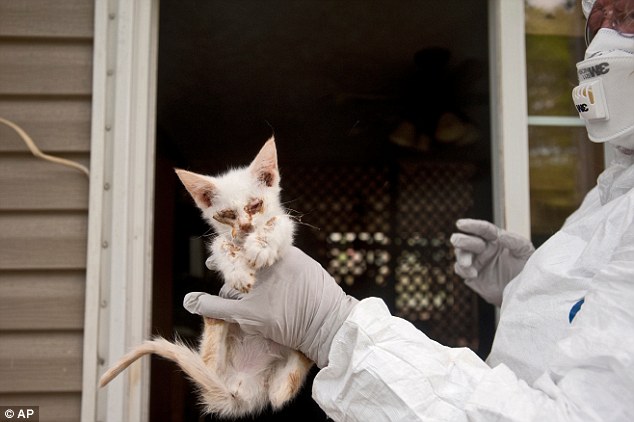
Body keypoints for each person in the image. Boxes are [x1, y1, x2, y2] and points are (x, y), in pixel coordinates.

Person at [184, 1, 634, 419]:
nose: (603, 43)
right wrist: (531, 287)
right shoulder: (613, 192)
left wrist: (335, 329)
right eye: (598, 19)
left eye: (628, 15)